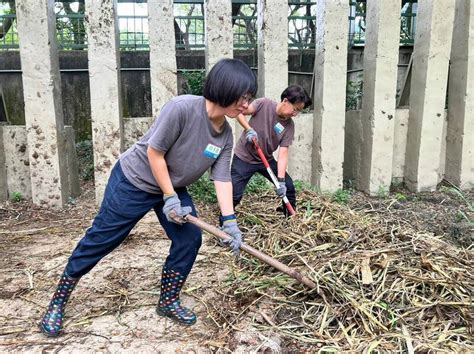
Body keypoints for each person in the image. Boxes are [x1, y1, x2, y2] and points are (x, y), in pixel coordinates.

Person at [39, 58, 257, 337]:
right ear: (225, 89)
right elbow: (155, 153)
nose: (246, 106)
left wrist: (230, 221)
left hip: (173, 188)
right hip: (135, 180)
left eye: (249, 99)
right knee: (102, 239)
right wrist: (169, 197)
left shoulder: (225, 135)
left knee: (189, 239)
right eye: (244, 98)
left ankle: (167, 301)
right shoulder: (182, 109)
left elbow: (222, 177)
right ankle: (58, 302)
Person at [231, 85, 312, 216]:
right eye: (295, 109)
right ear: (285, 101)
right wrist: (248, 129)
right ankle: (226, 220)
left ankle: (290, 216)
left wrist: (280, 181)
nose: (295, 114)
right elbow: (239, 111)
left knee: (289, 186)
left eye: (299, 111)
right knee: (234, 194)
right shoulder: (264, 104)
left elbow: (283, 153)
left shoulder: (289, 126)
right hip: (244, 158)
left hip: (265, 159)